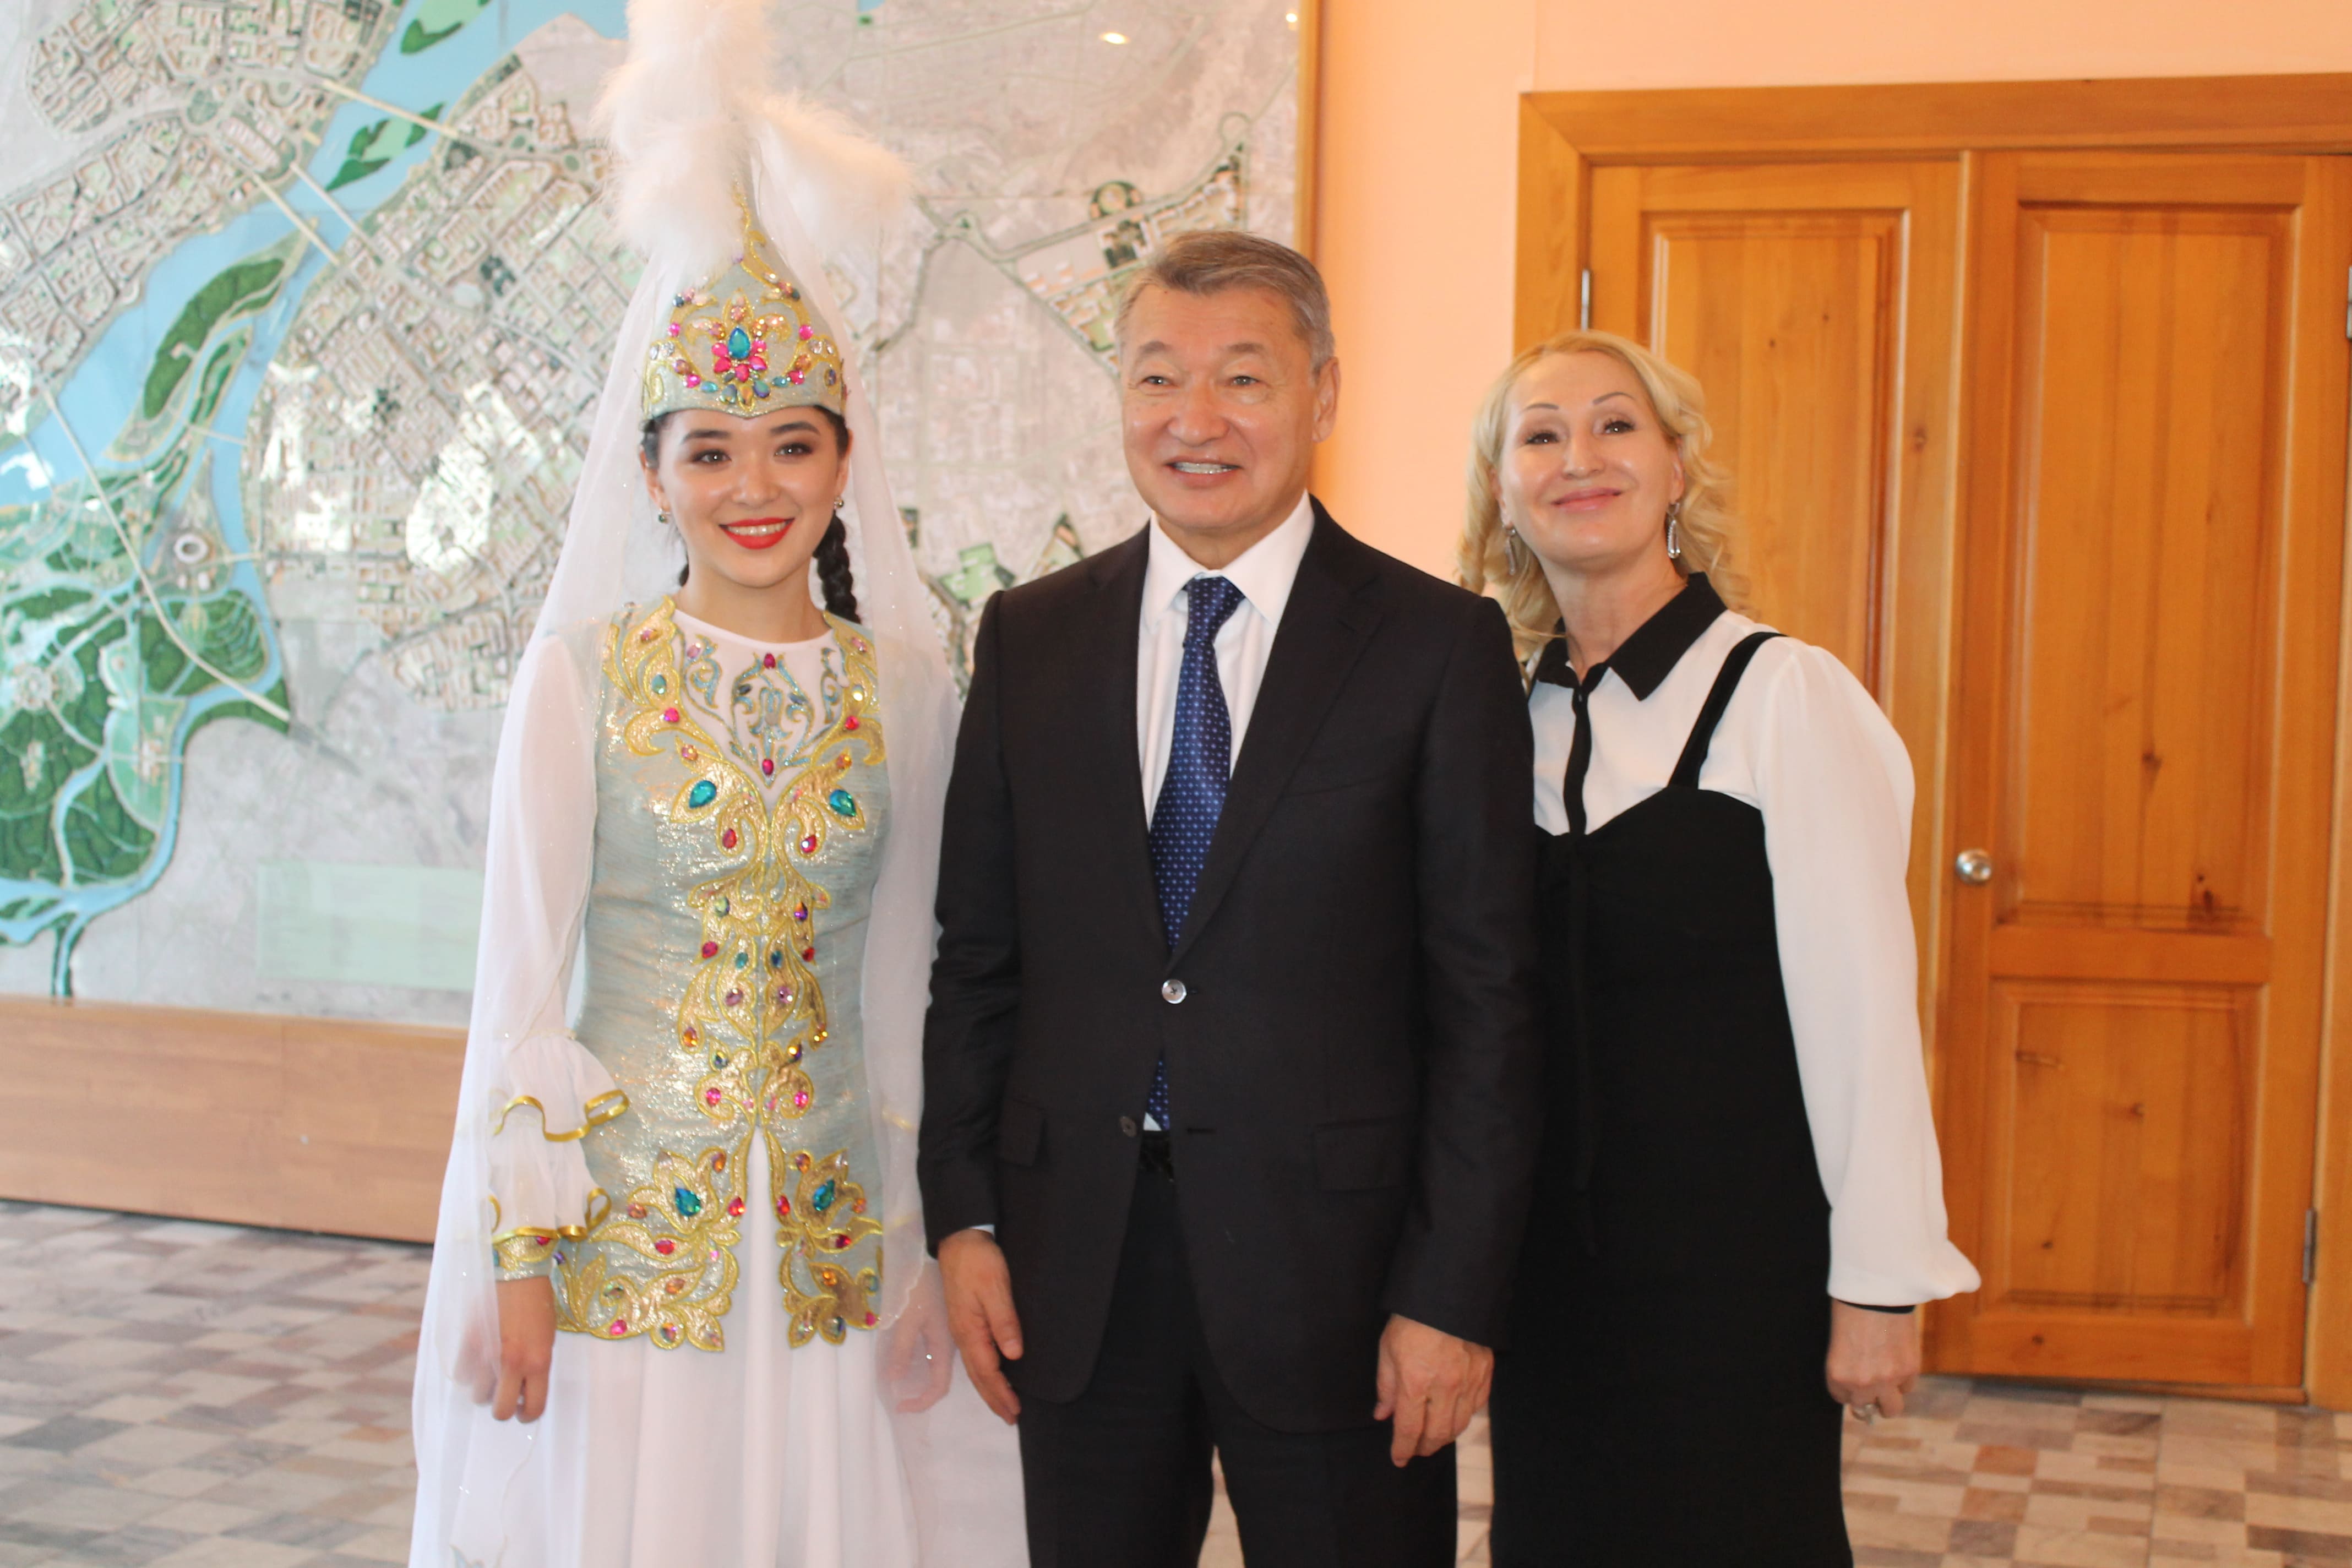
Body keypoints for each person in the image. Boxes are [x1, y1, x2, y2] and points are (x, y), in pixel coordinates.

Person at [405, 5, 1023, 1561]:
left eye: (792, 446)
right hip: (621, 1240)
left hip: (826, 1238)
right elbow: (521, 989)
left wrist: (913, 1243)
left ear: (842, 464)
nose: (755, 487)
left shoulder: (904, 690)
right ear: (653, 473)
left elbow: (912, 979)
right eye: (712, 451)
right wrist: (518, 1261)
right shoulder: (586, 677)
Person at [917, 230, 1545, 1568]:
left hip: (1342, 1282)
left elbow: (1489, 1001)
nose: (1194, 419)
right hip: (1077, 1263)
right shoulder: (1031, 636)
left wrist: (1452, 1291)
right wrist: (965, 1215)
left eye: (1243, 378)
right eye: (1158, 377)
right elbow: (978, 958)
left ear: (1324, 393)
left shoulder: (1437, 646)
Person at [1458, 329, 1980, 1565]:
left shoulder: (1785, 697)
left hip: (1738, 1273)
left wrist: (1878, 1283)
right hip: (1544, 1277)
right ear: (1503, 492)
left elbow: (1863, 1013)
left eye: (1616, 425)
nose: (1579, 458)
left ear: (1678, 468)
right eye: (1541, 435)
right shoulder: (1495, 717)